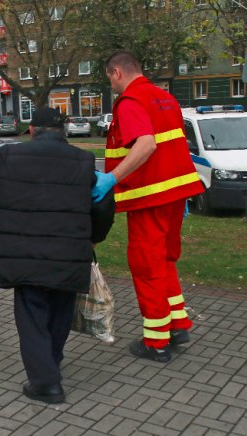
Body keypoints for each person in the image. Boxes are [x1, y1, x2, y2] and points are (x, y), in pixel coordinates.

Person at [0, 107, 115, 404]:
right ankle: (50, 362)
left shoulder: (6, 156)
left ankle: (45, 382)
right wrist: (94, 238)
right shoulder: (84, 161)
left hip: (25, 254)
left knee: (32, 314)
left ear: (32, 131)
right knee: (60, 311)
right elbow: (102, 203)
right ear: (65, 131)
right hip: (69, 252)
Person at [92, 50, 204, 363]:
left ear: (116, 73)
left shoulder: (130, 101)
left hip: (150, 196)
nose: (112, 86)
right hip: (175, 192)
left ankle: (156, 341)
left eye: (110, 80)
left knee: (146, 263)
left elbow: (146, 143)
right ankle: (178, 324)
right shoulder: (163, 98)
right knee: (166, 259)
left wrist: (111, 178)